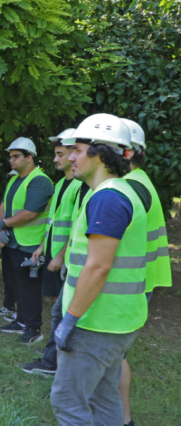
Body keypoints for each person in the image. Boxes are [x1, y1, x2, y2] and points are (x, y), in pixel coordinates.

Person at [50, 114, 149, 425]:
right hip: (116, 320)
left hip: (96, 323)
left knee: (68, 403)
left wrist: (70, 319)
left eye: (78, 150)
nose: (71, 157)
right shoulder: (116, 191)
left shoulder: (108, 198)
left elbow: (97, 268)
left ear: (101, 154)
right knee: (105, 402)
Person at [118, 118, 172, 426]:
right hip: (137, 281)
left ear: (126, 153)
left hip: (129, 285)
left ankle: (124, 420)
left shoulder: (131, 188)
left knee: (115, 356)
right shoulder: (139, 181)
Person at [21, 129, 83, 375]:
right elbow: (54, 222)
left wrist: (60, 255)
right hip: (55, 257)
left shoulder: (80, 186)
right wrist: (42, 247)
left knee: (62, 311)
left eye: (60, 154)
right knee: (58, 309)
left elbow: (78, 226)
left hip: (67, 261)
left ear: (74, 154)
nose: (55, 159)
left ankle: (54, 361)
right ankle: (54, 357)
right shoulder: (60, 185)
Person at [0, 137, 54, 345]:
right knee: (15, 284)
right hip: (12, 241)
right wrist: (1, 227)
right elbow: (3, 204)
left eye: (16, 156)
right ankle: (21, 321)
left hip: (30, 243)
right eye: (10, 157)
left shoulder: (39, 181)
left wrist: (3, 224)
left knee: (29, 287)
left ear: (29, 158)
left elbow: (30, 213)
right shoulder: (14, 179)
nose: (11, 160)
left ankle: (33, 328)